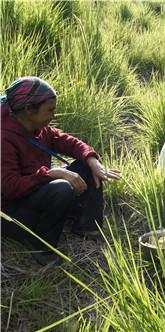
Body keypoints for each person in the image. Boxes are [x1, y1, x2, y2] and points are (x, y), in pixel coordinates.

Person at [1, 76, 121, 266]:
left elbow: (66, 141)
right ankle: (43, 248)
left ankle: (87, 226)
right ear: (28, 110)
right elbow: (9, 188)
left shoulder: (35, 126)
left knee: (86, 166)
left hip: (34, 194)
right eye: (50, 110)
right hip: (11, 215)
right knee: (61, 188)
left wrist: (92, 160)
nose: (53, 115)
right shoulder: (4, 138)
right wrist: (52, 174)